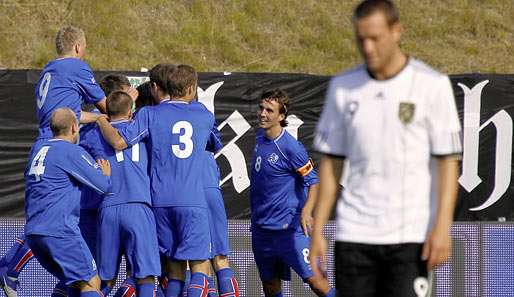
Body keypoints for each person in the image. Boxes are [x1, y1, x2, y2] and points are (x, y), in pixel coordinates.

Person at [309, 1, 462, 296]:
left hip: (410, 236)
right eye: (360, 39)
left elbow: (447, 162)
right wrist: (318, 231)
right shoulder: (342, 87)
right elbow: (331, 163)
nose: (367, 47)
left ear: (396, 31)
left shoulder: (431, 85)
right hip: (354, 234)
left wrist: (443, 227)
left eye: (375, 38)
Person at [0, 25, 107, 297]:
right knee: (61, 224)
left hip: (44, 145)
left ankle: (10, 265)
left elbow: (66, 114)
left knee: (48, 217)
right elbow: (107, 105)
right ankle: (9, 266)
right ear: (79, 48)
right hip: (61, 148)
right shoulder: (76, 66)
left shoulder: (49, 70)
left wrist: (92, 118)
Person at [95, 64, 216, 297]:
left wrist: (101, 120)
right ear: (191, 88)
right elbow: (213, 144)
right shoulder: (203, 115)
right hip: (192, 199)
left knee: (173, 268)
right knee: (201, 267)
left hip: (158, 202)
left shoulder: (149, 115)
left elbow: (120, 142)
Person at [250, 89, 335, 297]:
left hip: (289, 232)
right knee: (270, 287)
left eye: (269, 110)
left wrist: (306, 211)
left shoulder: (290, 148)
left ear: (281, 116)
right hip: (262, 231)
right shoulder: (260, 137)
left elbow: (313, 181)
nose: (262, 113)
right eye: (261, 108)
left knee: (317, 282)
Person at [24, 108, 112, 297]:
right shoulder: (70, 151)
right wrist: (105, 174)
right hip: (60, 230)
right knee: (91, 283)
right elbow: (102, 185)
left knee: (73, 282)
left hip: (34, 233)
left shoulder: (38, 149)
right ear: (74, 127)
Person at [80, 91, 161, 296]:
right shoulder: (142, 130)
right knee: (146, 276)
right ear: (130, 111)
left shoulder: (91, 133)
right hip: (138, 205)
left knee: (104, 278)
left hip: (107, 207)